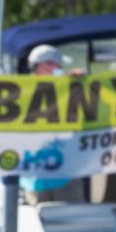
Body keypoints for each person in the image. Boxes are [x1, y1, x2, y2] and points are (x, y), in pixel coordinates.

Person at [21, 45, 86, 203]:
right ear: (44, 65)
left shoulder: (67, 87)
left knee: (73, 220)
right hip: (34, 177)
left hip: (66, 174)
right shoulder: (20, 90)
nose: (61, 69)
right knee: (36, 223)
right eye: (58, 65)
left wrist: (82, 83)